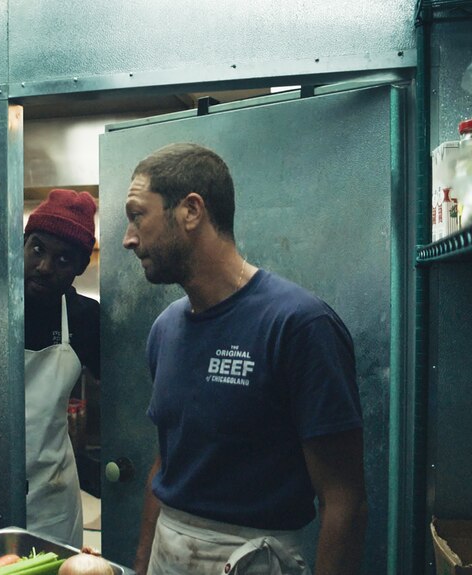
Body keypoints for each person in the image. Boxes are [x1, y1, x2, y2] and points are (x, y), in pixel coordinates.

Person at [122, 143, 367, 575]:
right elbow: (166, 463)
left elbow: (342, 498)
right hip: (169, 551)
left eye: (138, 214)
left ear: (191, 211)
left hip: (255, 559)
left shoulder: (299, 325)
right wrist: (142, 565)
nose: (129, 238)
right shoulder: (165, 329)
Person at [23, 188, 100, 548]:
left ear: (80, 268)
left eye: (63, 259)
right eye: (37, 249)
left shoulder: (85, 319)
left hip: (52, 496)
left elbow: (126, 404)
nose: (44, 267)